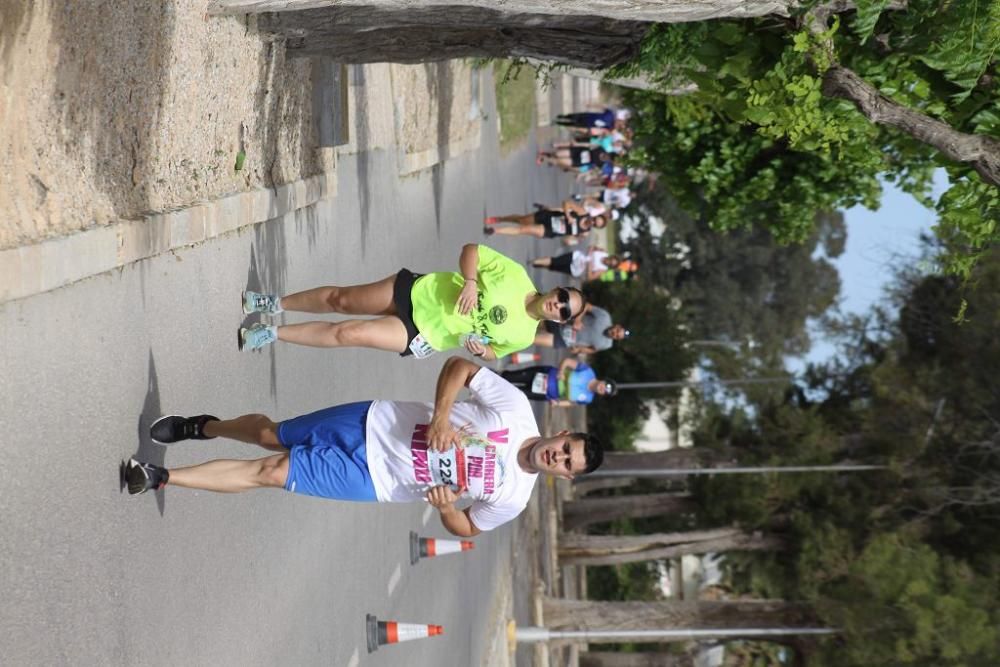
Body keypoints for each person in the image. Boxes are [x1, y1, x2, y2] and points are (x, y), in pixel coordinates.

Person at [123, 357, 604, 537]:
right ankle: (205, 427)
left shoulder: (513, 498)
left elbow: (467, 528)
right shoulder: (517, 408)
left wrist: (447, 508)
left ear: (565, 477)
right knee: (273, 435)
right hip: (373, 420)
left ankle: (162, 478)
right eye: (566, 448)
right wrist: (440, 417)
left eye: (566, 465)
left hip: (378, 479)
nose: (557, 457)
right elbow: (458, 368)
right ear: (562, 434)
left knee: (272, 471)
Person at [238, 244, 586, 361]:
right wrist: (469, 281)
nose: (560, 305)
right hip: (419, 292)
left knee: (350, 333)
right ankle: (275, 303)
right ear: (555, 291)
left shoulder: (524, 336)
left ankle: (271, 334)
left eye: (565, 310)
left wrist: (482, 352)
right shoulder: (516, 276)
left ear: (560, 321)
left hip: (425, 335)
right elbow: (471, 251)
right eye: (562, 297)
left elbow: (497, 352)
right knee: (342, 300)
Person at [501, 357, 617, 407]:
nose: (603, 388)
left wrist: (558, 404)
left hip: (545, 394)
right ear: (603, 380)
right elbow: (567, 361)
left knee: (516, 394)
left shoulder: (588, 399)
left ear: (603, 395)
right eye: (606, 386)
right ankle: (490, 375)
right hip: (545, 375)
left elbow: (571, 403)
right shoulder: (588, 371)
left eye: (605, 392)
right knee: (510, 377)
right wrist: (561, 371)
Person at [484, 201, 607, 242]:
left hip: (550, 231)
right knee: (521, 220)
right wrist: (568, 216)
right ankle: (500, 219)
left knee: (523, 230)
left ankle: (495, 230)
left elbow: (569, 239)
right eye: (596, 220)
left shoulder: (585, 232)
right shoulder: (582, 212)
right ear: (594, 217)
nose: (593, 222)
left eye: (596, 224)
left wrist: (571, 239)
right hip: (548, 217)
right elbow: (566, 203)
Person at [534, 304, 629, 355]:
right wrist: (578, 320)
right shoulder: (605, 317)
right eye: (617, 331)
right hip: (562, 324)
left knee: (533, 339)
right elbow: (587, 306)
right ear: (617, 326)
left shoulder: (607, 344)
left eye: (617, 336)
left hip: (564, 340)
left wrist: (579, 350)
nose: (614, 333)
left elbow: (592, 349)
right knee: (534, 321)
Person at [530, 247, 622, 281]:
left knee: (553, 267)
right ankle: (535, 261)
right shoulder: (603, 252)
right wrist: (590, 252)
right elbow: (592, 247)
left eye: (611, 264)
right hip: (576, 256)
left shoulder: (602, 269)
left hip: (575, 269)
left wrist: (589, 267)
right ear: (611, 257)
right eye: (611, 260)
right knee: (556, 261)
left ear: (610, 266)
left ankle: (540, 265)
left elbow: (590, 277)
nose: (608, 262)